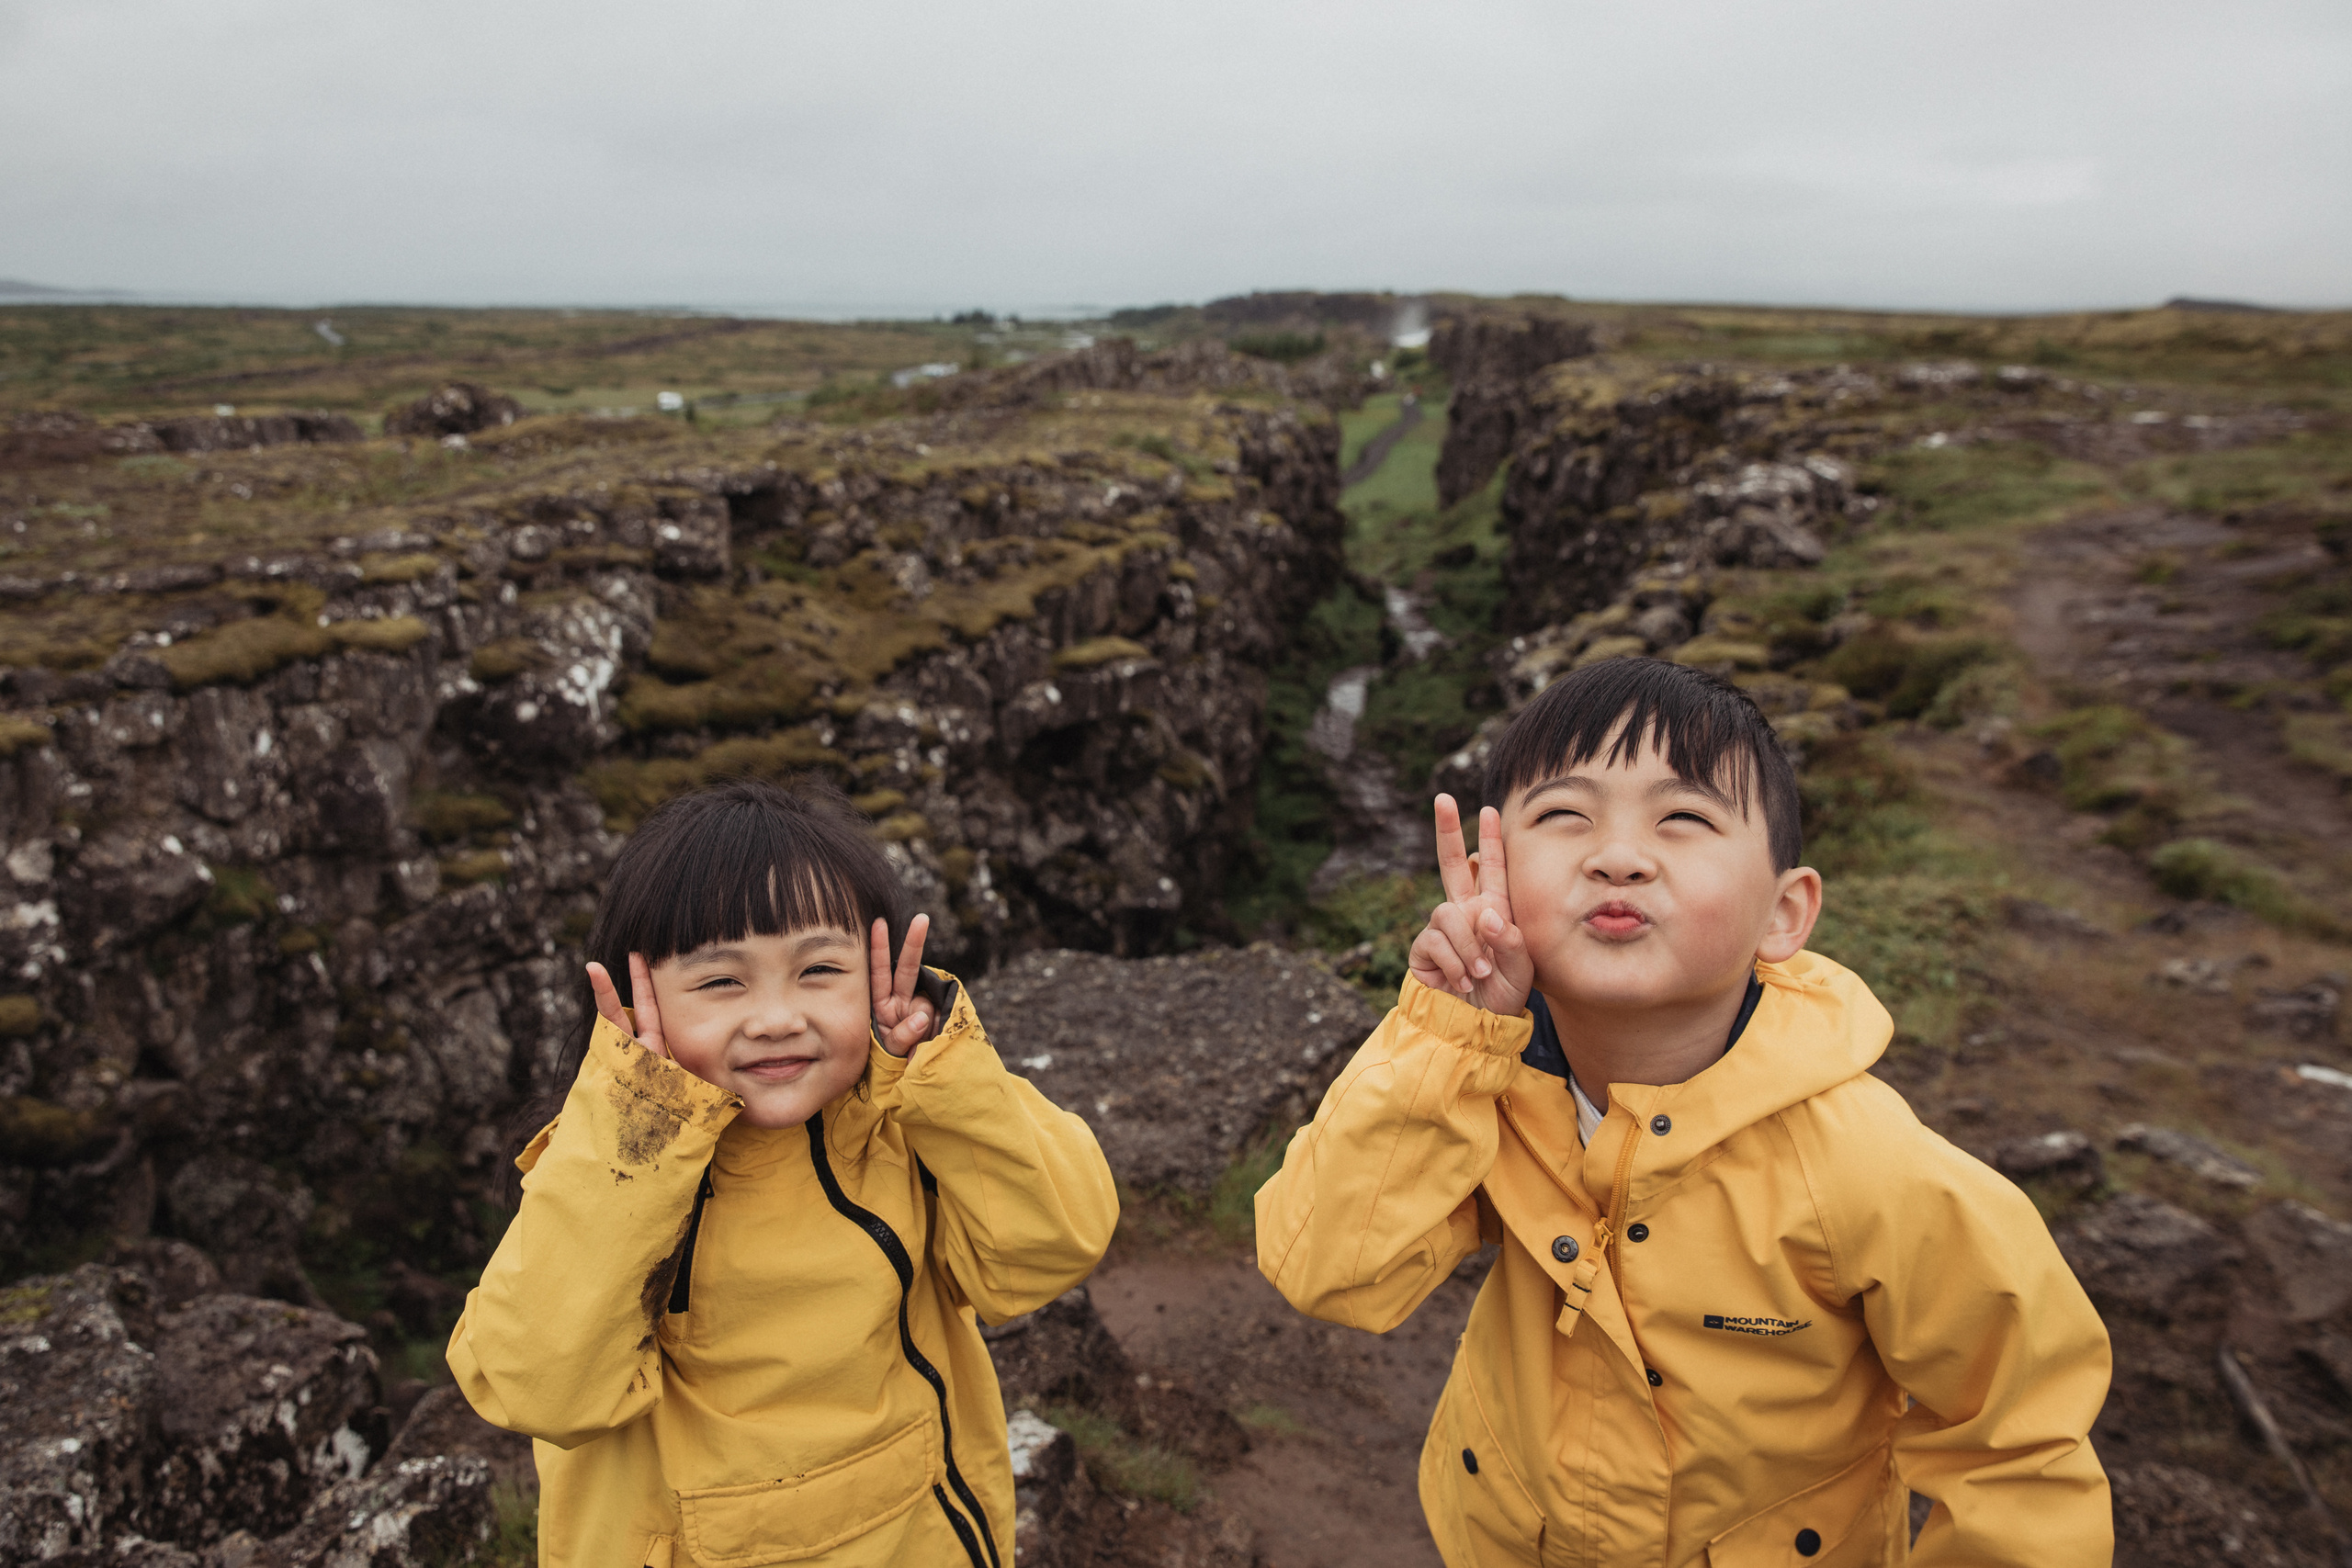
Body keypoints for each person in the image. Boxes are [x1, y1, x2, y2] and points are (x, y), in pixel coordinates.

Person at [1254, 657, 2111, 1566]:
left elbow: (2021, 1449)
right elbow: (1330, 1270)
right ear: (1487, 880)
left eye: (1684, 818)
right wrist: (1446, 1032)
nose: (1617, 855)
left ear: (1783, 914)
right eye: (1563, 816)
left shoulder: (1874, 1173)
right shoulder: (1483, 1091)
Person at [448, 779, 1118, 1568]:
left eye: (819, 970)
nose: (775, 1017)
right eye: (721, 981)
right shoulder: (609, 1168)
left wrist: (943, 1070)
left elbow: (1051, 1246)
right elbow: (541, 1387)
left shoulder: (909, 1124)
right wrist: (640, 1123)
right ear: (635, 1001)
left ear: (879, 972)